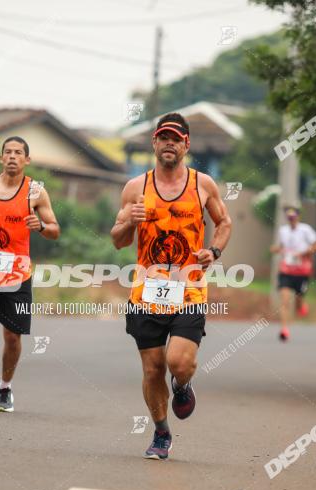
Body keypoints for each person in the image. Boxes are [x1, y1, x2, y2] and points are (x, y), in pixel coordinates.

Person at [111, 113, 232, 460]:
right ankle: (162, 431)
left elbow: (224, 222)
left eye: (175, 139)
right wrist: (127, 225)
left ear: (186, 145)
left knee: (178, 362)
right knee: (152, 369)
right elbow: (118, 240)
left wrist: (214, 250)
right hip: (146, 291)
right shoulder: (136, 188)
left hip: (188, 289)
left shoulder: (202, 184)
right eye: (163, 138)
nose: (169, 144)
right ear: (154, 143)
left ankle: (182, 384)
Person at [0, 136, 60, 411]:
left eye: (19, 153)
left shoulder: (36, 192)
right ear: (1, 158)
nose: (13, 156)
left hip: (17, 273)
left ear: (27, 160)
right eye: (8, 152)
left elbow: (55, 229)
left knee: (12, 336)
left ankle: (4, 387)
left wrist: (39, 225)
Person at [270, 206, 316, 341]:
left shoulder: (306, 230)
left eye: (293, 217)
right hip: (286, 270)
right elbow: (281, 247)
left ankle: (301, 305)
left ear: (298, 216)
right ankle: (284, 329)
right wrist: (275, 249)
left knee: (298, 299)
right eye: (289, 217)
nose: (291, 219)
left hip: (302, 271)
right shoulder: (283, 231)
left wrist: (303, 253)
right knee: (285, 301)